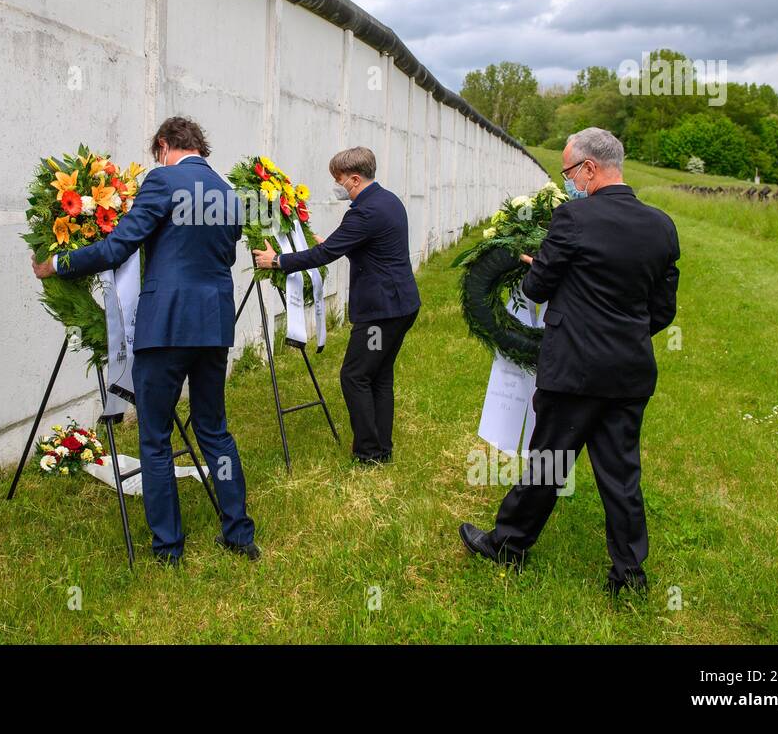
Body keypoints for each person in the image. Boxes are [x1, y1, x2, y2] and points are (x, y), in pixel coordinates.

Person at [459, 127, 680, 596]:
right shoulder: (662, 226)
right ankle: (629, 576)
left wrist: (538, 265)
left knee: (548, 464)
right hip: (629, 372)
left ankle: (508, 545)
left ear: (589, 169)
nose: (569, 180)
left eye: (568, 171)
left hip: (573, 371)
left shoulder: (573, 218)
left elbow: (537, 289)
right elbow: (663, 310)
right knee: (621, 476)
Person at [32, 117, 257, 565]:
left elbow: (118, 248)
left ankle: (169, 548)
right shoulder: (230, 194)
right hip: (213, 324)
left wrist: (58, 263)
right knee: (214, 430)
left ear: (163, 146)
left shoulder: (163, 180)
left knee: (154, 437)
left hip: (166, 325)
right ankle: (239, 533)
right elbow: (222, 254)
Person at [252, 147, 420, 465]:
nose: (337, 185)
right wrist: (328, 241)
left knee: (355, 376)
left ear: (355, 179)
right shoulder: (388, 200)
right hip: (402, 305)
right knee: (379, 375)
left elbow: (325, 255)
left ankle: (369, 452)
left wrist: (277, 260)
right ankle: (382, 447)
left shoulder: (364, 212)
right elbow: (360, 244)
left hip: (381, 314)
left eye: (338, 179)